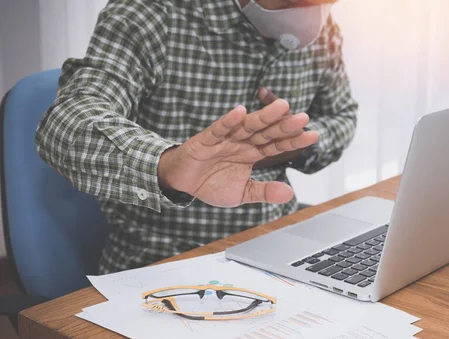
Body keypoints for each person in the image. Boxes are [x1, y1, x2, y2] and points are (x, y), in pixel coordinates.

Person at [35, 0, 358, 274]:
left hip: (274, 246)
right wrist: (170, 164)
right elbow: (66, 123)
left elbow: (342, 116)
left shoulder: (322, 31)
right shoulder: (151, 15)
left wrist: (293, 146)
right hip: (162, 260)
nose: (313, 10)